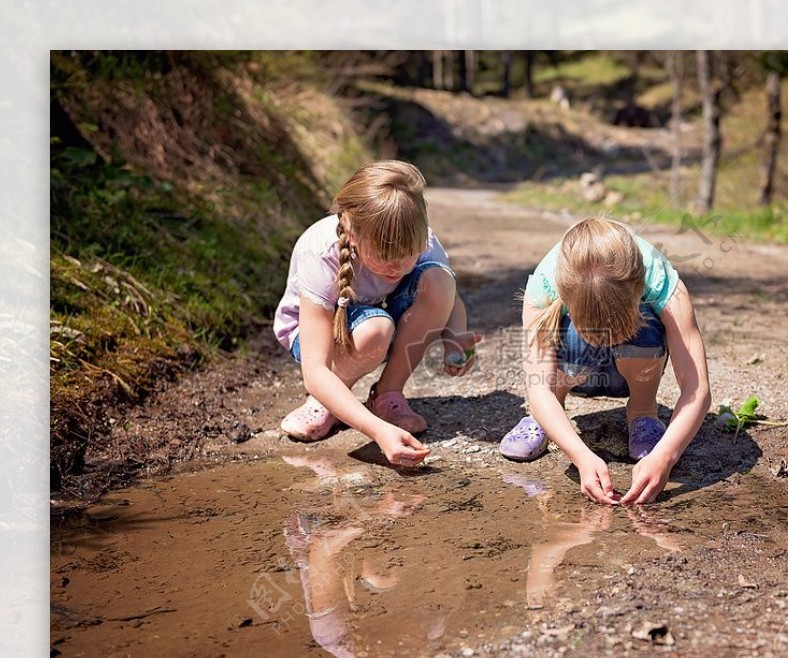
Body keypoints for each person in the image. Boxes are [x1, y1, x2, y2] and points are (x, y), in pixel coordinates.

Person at [273, 160, 479, 466]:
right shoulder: (319, 252)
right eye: (384, 256)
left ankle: (387, 394)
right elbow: (315, 370)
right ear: (351, 234)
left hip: (378, 322)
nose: (396, 267)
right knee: (375, 330)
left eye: (408, 256)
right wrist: (377, 431)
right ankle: (326, 400)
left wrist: (456, 337)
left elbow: (449, 298)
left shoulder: (421, 240)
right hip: (317, 336)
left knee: (438, 281)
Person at [499, 217, 711, 505]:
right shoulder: (546, 284)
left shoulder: (661, 283)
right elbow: (538, 388)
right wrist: (581, 456)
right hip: (575, 370)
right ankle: (546, 419)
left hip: (633, 369)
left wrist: (665, 456)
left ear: (638, 290)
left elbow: (696, 387)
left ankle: (643, 412)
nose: (605, 342)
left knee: (648, 323)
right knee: (556, 336)